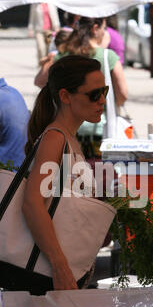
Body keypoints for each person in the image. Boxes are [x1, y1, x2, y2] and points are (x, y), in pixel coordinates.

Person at [23, 55, 108, 292]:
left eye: (104, 92)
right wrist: (59, 265)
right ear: (65, 96)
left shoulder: (67, 138)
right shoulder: (55, 138)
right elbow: (32, 203)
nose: (102, 100)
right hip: (50, 276)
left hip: (60, 273)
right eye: (94, 94)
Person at [34, 17, 128, 109]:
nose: (105, 32)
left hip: (67, 120)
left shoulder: (63, 54)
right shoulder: (108, 57)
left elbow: (39, 81)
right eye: (104, 28)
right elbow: (122, 94)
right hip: (98, 121)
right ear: (95, 29)